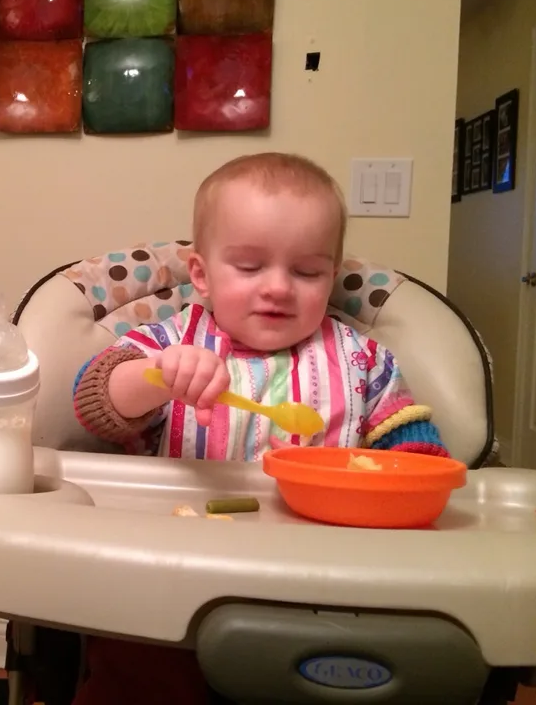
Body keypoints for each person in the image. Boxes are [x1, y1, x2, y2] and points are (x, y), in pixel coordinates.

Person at [70, 153, 447, 705]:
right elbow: (94, 402)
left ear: (331, 276)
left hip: (323, 585)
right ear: (201, 273)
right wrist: (158, 379)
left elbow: (415, 459)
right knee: (134, 657)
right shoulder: (170, 342)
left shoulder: (363, 360)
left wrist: (421, 483)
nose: (277, 288)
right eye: (249, 267)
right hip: (176, 572)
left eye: (307, 271)